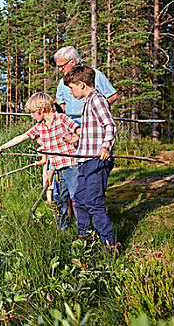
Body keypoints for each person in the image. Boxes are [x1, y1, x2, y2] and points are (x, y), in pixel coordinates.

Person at [0, 93, 80, 229]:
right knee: (59, 200)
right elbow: (21, 137)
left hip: (72, 166)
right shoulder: (40, 127)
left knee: (76, 198)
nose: (31, 116)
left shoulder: (61, 119)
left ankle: (83, 230)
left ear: (41, 110)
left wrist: (76, 137)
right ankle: (62, 230)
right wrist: (2, 147)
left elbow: (79, 130)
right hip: (57, 170)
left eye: (32, 112)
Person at [64, 64, 117, 247]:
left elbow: (109, 125)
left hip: (97, 160)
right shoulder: (87, 102)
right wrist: (76, 138)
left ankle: (109, 245)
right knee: (80, 199)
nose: (71, 92)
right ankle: (85, 241)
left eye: (72, 88)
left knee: (94, 202)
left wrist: (105, 147)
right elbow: (93, 132)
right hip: (85, 160)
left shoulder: (97, 100)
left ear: (82, 84)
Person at [54, 46, 119, 125]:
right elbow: (61, 105)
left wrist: (96, 112)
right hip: (72, 129)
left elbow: (113, 96)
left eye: (62, 66)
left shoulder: (94, 75)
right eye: (58, 67)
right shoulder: (62, 82)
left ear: (73, 62)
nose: (60, 69)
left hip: (92, 127)